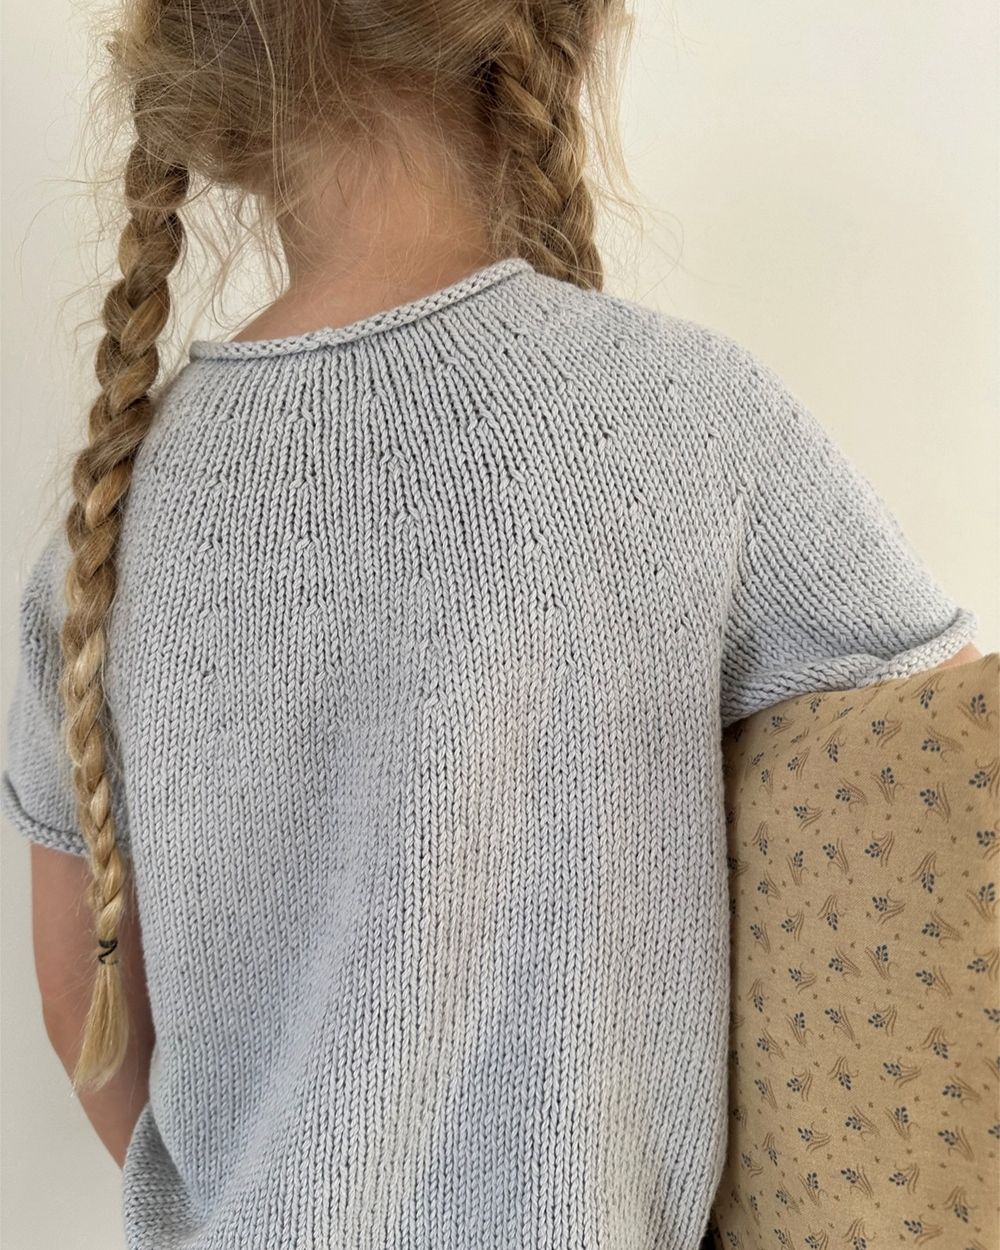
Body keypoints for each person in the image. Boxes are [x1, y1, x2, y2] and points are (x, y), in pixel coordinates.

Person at [2, 2, 982, 1247]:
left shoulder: (102, 540)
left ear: (212, 86)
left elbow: (83, 1007)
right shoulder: (687, 421)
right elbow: (946, 786)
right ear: (546, 42)